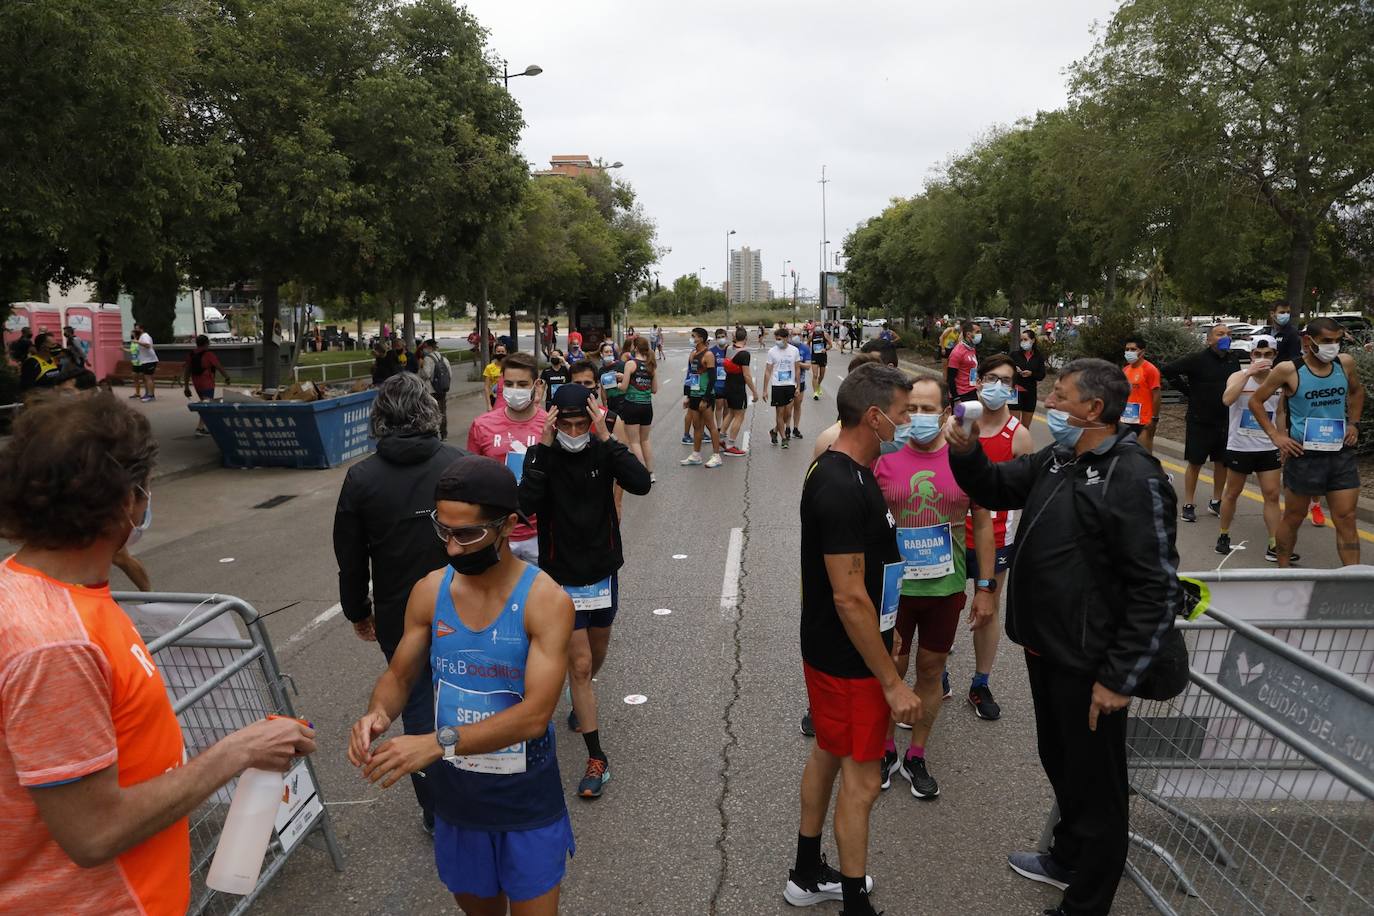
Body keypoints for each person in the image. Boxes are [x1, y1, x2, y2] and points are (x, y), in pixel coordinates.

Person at [0, 393, 315, 916]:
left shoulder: (53, 591)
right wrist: (239, 750)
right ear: (126, 501)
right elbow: (94, 833)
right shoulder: (56, 643)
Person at [947, 358, 1180, 916]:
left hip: (1091, 660)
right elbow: (997, 486)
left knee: (1098, 787)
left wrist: (1118, 677)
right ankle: (1067, 857)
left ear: (1093, 409)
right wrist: (966, 449)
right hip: (1045, 646)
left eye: (1061, 394)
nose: (1049, 399)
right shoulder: (1058, 457)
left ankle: (1086, 900)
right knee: (1061, 760)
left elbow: (1156, 589)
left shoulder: (1134, 475)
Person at [348, 455, 575, 914]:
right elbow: (399, 675)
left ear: (509, 525)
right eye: (443, 531)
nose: (451, 548)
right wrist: (379, 714)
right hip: (459, 803)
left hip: (525, 802)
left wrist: (437, 742)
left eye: (467, 534)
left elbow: (535, 716)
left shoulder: (546, 601)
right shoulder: (430, 591)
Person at [786, 363, 919, 916]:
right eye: (905, 413)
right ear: (875, 416)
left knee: (828, 752)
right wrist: (890, 682)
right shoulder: (842, 485)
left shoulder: (851, 470)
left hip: (842, 651)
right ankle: (853, 905)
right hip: (848, 661)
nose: (909, 423)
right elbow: (849, 596)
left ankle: (806, 871)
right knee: (861, 783)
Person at [334, 373, 467, 832]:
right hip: (465, 607)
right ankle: (477, 786)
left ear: (379, 419)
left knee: (414, 706)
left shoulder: (362, 478)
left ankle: (435, 809)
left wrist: (357, 610)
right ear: (429, 410)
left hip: (396, 612)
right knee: (471, 695)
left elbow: (350, 559)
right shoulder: (459, 464)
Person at [517, 384, 650, 800]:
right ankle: (597, 758)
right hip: (560, 576)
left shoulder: (601, 450)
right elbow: (526, 503)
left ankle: (583, 692)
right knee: (578, 665)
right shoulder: (545, 456)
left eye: (581, 423)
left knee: (595, 657)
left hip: (602, 572)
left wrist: (607, 436)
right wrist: (541, 445)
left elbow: (641, 483)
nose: (574, 431)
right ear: (555, 421)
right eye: (566, 424)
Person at [873, 375, 996, 800]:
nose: (919, 417)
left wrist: (985, 587)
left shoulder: (964, 461)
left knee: (930, 671)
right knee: (892, 672)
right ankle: (886, 749)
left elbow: (982, 523)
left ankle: (916, 754)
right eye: (912, 409)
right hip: (895, 592)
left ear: (945, 413)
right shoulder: (883, 462)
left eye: (929, 409)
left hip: (945, 590)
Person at [1247, 317, 1365, 568]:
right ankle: (1282, 571)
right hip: (1304, 454)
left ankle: (1352, 577)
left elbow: (1356, 391)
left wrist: (1354, 423)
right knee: (1294, 516)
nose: (1332, 347)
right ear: (1308, 341)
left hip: (1339, 453)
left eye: (1336, 341)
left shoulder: (1345, 364)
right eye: (1326, 341)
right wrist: (1276, 436)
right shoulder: (1288, 370)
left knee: (1346, 516)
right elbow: (1256, 402)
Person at [959, 355, 1034, 722]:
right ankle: (937, 675)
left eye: (1005, 381)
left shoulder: (1018, 435)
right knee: (944, 608)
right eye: (991, 378)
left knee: (986, 611)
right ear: (977, 380)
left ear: (1013, 388)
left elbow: (1028, 497)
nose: (997, 386)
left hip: (997, 541)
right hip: (953, 537)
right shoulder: (958, 422)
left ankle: (980, 682)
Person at [466, 353, 547, 564]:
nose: (515, 390)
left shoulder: (550, 425)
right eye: (509, 384)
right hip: (496, 532)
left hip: (541, 532)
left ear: (536, 385)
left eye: (522, 384)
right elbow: (471, 481)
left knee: (538, 595)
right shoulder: (481, 425)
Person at [1216, 335, 1291, 561]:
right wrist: (1247, 373)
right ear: (1250, 355)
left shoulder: (1279, 382)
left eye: (1268, 354)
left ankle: (1273, 544)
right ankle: (1224, 534)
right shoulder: (1238, 376)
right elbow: (1227, 400)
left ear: (1275, 356)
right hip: (1240, 446)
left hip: (1268, 447)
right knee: (1232, 493)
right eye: (1257, 354)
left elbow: (1279, 413)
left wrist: (1282, 438)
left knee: (1272, 494)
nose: (1262, 358)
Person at [1161, 323, 1238, 523]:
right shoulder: (1197, 359)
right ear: (1209, 339)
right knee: (1195, 463)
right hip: (1200, 420)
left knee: (1222, 463)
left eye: (1228, 334)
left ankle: (1216, 501)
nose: (1225, 337)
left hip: (1225, 420)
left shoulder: (1233, 361)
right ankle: (1188, 503)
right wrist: (1188, 392)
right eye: (1220, 334)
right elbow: (1168, 370)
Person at [681, 327, 724, 468]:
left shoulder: (708, 355)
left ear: (701, 338)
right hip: (693, 394)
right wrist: (687, 395)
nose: (692, 338)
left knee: (711, 426)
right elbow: (690, 376)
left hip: (705, 395)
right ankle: (696, 455)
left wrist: (705, 398)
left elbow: (712, 378)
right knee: (696, 426)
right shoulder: (693, 354)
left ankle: (716, 456)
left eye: (694, 336)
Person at [618, 337, 658, 477]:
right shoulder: (651, 365)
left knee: (633, 441)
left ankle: (642, 474)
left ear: (635, 347)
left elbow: (623, 388)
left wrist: (618, 383)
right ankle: (651, 472)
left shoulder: (630, 364)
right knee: (645, 440)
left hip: (632, 405)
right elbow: (654, 389)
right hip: (647, 406)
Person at [181, 335, 233, 435]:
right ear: (206, 343)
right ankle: (201, 428)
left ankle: (202, 427)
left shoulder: (191, 354)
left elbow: (187, 371)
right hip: (207, 382)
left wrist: (186, 386)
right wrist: (227, 377)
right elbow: (219, 367)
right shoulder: (208, 354)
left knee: (204, 404)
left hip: (197, 383)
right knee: (207, 405)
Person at [1121, 333, 1162, 453]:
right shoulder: (1125, 370)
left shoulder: (1150, 370)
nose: (1129, 352)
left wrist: (1154, 419)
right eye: (1127, 349)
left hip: (1144, 422)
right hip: (1126, 421)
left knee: (1144, 458)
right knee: (1126, 457)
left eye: (1133, 349)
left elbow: (1156, 395)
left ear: (1142, 352)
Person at [721, 328, 757, 457]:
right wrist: (754, 392)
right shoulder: (744, 354)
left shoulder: (729, 349)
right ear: (746, 339)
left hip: (728, 384)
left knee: (731, 413)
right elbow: (747, 375)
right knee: (739, 415)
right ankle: (730, 445)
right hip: (738, 388)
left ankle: (721, 438)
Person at [764, 327, 802, 448]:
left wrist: (798, 386)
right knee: (780, 413)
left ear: (786, 338)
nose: (777, 341)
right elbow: (768, 371)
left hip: (790, 385)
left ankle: (774, 431)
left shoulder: (794, 350)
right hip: (777, 386)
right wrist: (765, 389)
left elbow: (797, 369)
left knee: (788, 414)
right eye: (776, 339)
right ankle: (784, 438)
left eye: (779, 339)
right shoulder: (772, 352)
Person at [418, 339, 454, 440]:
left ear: (429, 347)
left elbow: (426, 374)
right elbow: (450, 374)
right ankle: (444, 434)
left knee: (431, 412)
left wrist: (420, 367)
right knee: (442, 411)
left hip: (431, 390)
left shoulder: (428, 359)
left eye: (425, 347)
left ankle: (433, 434)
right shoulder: (444, 359)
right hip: (442, 390)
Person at [1011, 329, 1046, 427]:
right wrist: (1014, 369)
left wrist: (1031, 374)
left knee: (1025, 427)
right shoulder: (1014, 355)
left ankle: (1023, 442)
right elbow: (1006, 370)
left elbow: (1041, 375)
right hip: (1014, 392)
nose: (1023, 342)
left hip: (1030, 393)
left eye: (1025, 339)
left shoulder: (1038, 357)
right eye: (1021, 340)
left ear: (1033, 340)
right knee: (1013, 426)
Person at [947, 320, 981, 401]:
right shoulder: (957, 352)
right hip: (961, 395)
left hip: (972, 391)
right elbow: (950, 378)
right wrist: (956, 398)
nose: (980, 335)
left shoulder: (971, 348)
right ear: (969, 334)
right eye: (977, 332)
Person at [709, 329, 732, 446]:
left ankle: (724, 427)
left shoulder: (730, 350)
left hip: (728, 383)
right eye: (719, 337)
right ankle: (718, 427)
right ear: (716, 338)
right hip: (717, 383)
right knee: (719, 405)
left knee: (727, 406)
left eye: (723, 336)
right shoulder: (712, 351)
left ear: (726, 337)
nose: (721, 338)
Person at [789, 333, 813, 439]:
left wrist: (797, 364)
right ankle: (786, 428)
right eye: (794, 334)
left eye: (798, 334)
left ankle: (795, 428)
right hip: (787, 381)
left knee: (797, 405)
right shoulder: (787, 347)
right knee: (787, 408)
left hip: (801, 381)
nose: (796, 336)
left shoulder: (805, 348)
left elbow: (808, 366)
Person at [134, 323, 159, 402]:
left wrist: (137, 342)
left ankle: (151, 396)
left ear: (141, 329)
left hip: (149, 360)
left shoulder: (145, 336)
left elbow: (147, 345)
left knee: (148, 378)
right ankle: (148, 393)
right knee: (147, 378)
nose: (135, 330)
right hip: (146, 360)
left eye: (137, 328)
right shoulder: (142, 336)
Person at [810, 323, 833, 399]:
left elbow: (830, 345)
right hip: (814, 356)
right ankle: (815, 392)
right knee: (815, 375)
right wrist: (809, 351)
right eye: (816, 325)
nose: (817, 327)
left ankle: (818, 385)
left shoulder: (825, 334)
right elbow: (807, 343)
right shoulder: (811, 335)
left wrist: (825, 349)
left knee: (821, 375)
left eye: (819, 325)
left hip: (823, 356)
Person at [484, 343, 509, 408]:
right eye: (498, 352)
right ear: (495, 353)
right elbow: (487, 387)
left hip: (508, 398)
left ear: (506, 353)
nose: (501, 353)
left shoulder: (510, 367)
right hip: (494, 398)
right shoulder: (489, 368)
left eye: (503, 351)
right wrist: (489, 405)